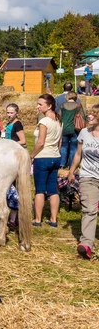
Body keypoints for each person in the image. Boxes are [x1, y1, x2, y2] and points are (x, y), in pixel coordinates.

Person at [68, 104, 99, 260]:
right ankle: (86, 244)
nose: (89, 117)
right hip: (88, 177)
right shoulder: (83, 133)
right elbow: (78, 155)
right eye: (89, 114)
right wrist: (71, 171)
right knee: (89, 210)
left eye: (93, 115)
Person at [30, 94, 62, 227]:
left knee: (40, 190)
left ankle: (38, 219)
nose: (37, 106)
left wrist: (31, 156)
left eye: (40, 104)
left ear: (49, 106)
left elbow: (40, 142)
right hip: (55, 156)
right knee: (53, 189)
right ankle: (53, 219)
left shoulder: (44, 121)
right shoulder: (58, 121)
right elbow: (60, 141)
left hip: (43, 157)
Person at [58, 91, 86, 169]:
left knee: (64, 146)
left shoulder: (62, 105)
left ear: (67, 97)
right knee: (74, 148)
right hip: (75, 129)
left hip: (64, 129)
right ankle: (71, 165)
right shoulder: (78, 105)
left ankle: (62, 164)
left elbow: (59, 117)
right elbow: (83, 117)